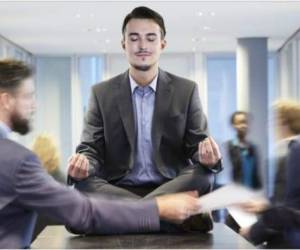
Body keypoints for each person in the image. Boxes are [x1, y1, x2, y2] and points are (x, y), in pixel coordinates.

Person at [0, 59, 202, 249]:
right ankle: (168, 222)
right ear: (6, 100)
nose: (33, 105)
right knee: (85, 184)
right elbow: (81, 212)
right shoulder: (18, 161)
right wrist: (158, 208)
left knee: (202, 173)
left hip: (147, 189)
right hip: (112, 194)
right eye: (27, 96)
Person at [67, 6, 222, 232]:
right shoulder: (101, 93)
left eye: (150, 38)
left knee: (204, 175)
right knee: (83, 183)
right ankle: (165, 216)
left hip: (170, 186)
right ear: (124, 44)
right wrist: (83, 165)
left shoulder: (186, 90)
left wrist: (208, 158)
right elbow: (91, 148)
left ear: (162, 44)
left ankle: (120, 218)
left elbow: (196, 146)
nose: (142, 46)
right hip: (117, 188)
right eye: (134, 38)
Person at [239, 100, 300, 248]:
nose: (269, 126)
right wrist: (265, 206)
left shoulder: (294, 152)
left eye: (273, 120)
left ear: (284, 123)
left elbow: (288, 211)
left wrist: (253, 231)